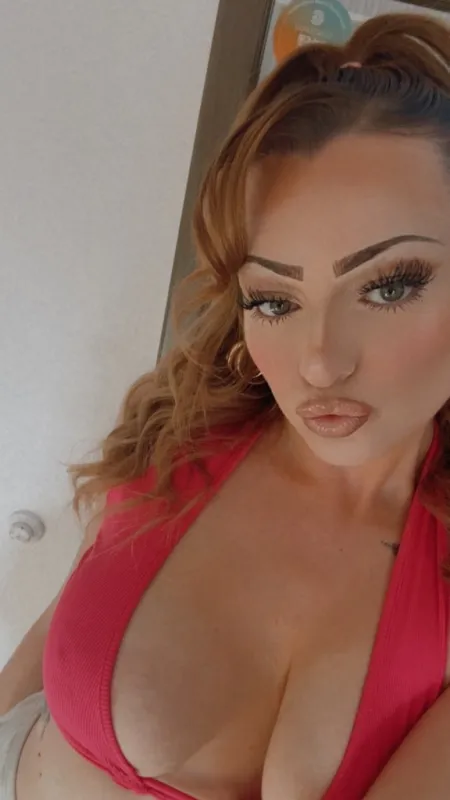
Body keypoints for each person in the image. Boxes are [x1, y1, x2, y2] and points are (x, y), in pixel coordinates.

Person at [2, 10, 450, 800]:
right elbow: (50, 640)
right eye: (275, 299)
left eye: (389, 286)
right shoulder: (180, 434)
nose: (320, 362)